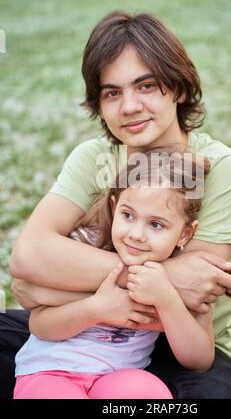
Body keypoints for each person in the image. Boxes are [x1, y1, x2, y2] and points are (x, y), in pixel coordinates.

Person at [3, 11, 231, 399]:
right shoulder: (94, 157)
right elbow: (29, 257)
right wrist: (157, 279)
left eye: (147, 86)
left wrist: (51, 288)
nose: (130, 106)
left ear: (180, 89)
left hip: (180, 341)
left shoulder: (221, 167)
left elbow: (194, 289)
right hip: (89, 326)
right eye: (112, 92)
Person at [13, 149, 214, 399]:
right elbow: (39, 325)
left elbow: (200, 359)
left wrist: (168, 300)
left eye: (156, 224)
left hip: (119, 375)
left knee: (147, 391)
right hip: (51, 371)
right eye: (128, 215)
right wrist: (96, 309)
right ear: (114, 205)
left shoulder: (183, 278)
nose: (136, 234)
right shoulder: (83, 247)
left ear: (185, 234)